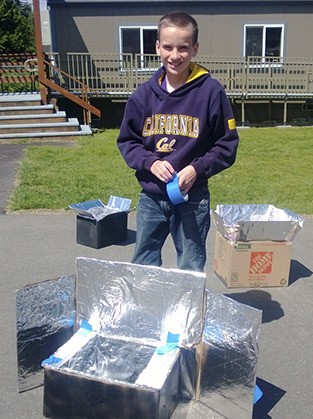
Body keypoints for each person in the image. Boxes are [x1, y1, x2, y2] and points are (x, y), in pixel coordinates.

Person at [117, 11, 239, 272]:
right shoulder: (143, 95)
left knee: (191, 264)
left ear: (195, 48)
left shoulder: (211, 92)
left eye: (183, 48)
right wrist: (149, 162)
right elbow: (127, 141)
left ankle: (188, 313)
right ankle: (146, 310)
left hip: (192, 198)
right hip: (151, 196)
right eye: (168, 47)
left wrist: (196, 169)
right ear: (158, 47)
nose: (175, 55)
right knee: (144, 262)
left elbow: (227, 145)